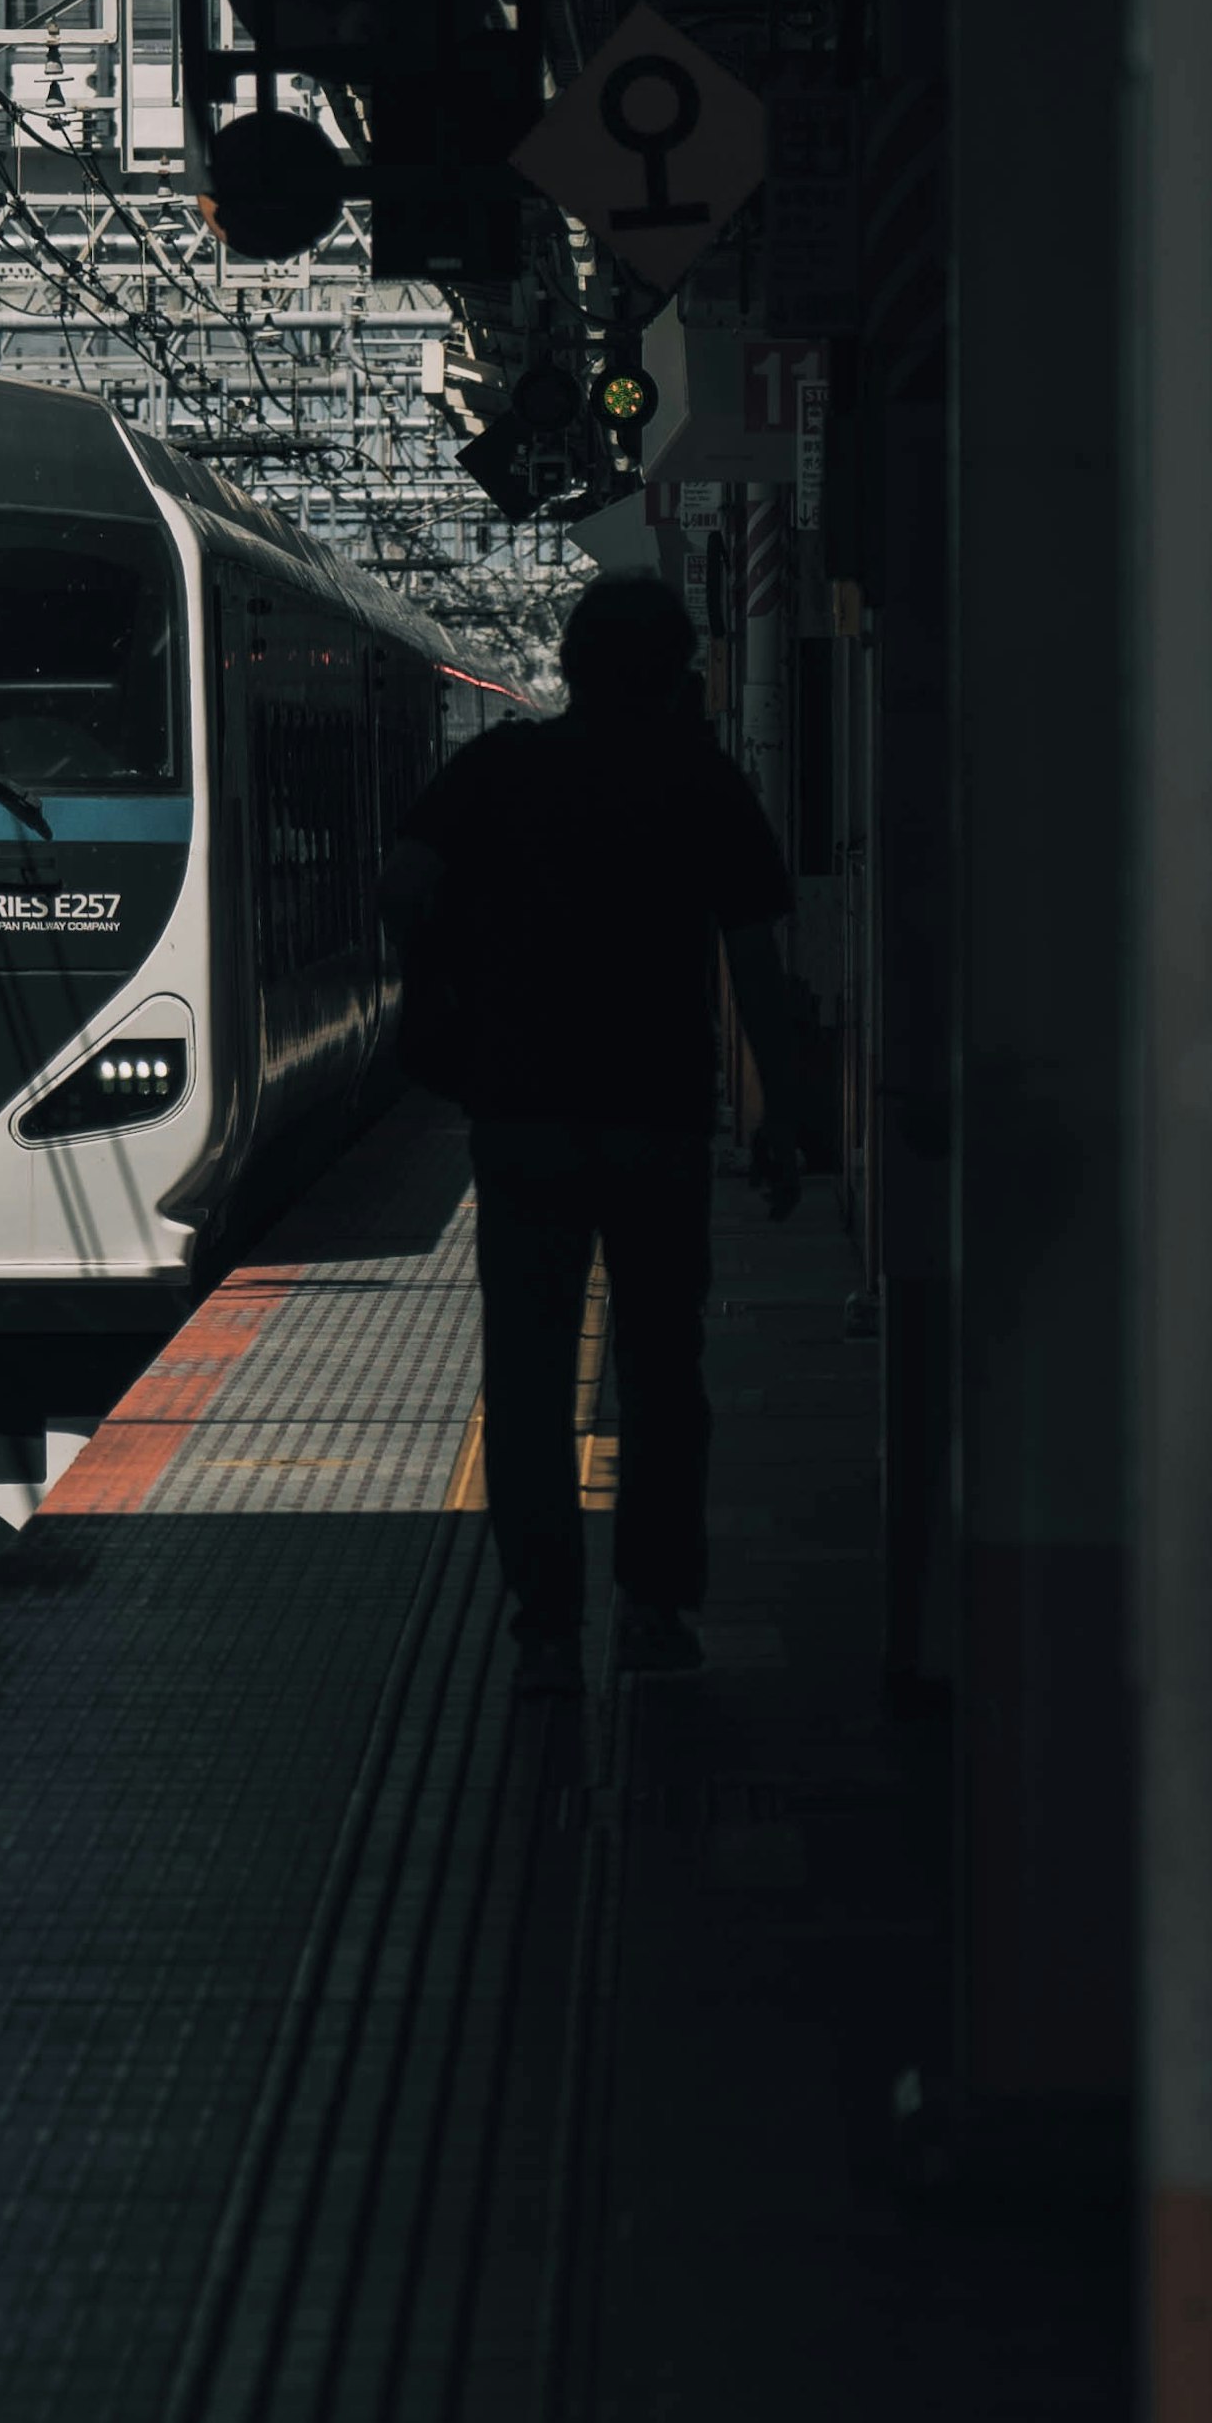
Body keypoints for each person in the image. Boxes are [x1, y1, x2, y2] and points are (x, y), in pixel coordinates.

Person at [382, 572, 808, 1693]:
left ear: (566, 667)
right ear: (678, 677)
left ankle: (544, 1611)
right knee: (664, 1370)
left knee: (526, 1372)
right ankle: (657, 1606)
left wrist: (449, 983)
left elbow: (406, 881)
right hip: (658, 1123)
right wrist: (785, 1117)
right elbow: (758, 962)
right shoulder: (701, 780)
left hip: (520, 1118)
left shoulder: (500, 770)